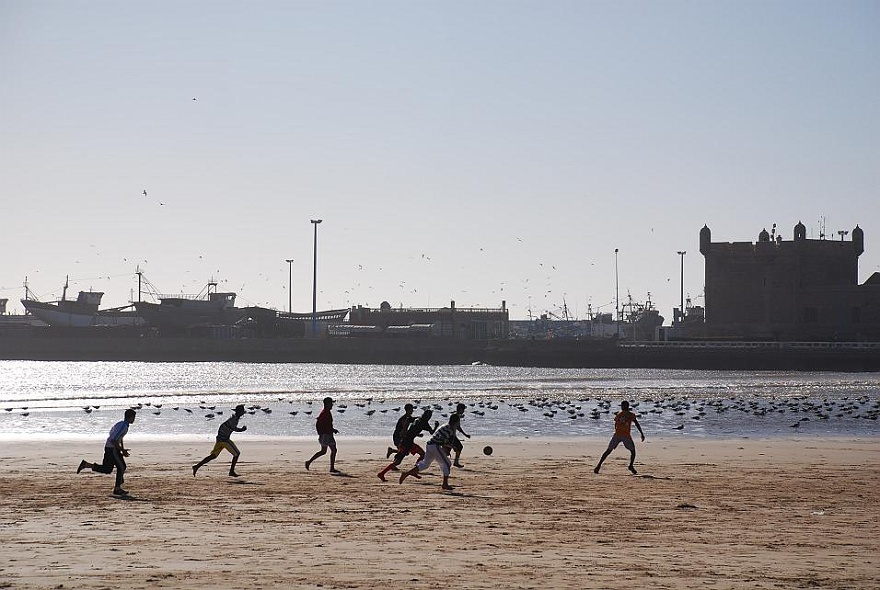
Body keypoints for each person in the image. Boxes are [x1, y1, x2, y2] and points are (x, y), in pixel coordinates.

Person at [77, 408, 136, 496]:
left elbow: (120, 438)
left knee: (107, 469)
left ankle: (86, 464)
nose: (134, 420)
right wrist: (121, 450)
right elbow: (113, 440)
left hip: (111, 448)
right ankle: (117, 488)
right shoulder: (123, 426)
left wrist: (122, 449)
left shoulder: (123, 425)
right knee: (122, 466)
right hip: (112, 449)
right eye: (133, 418)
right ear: (130, 417)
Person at [399, 413, 460, 490]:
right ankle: (445, 484)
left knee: (425, 464)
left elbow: (443, 440)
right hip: (434, 446)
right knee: (447, 463)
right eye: (458, 421)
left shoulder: (447, 426)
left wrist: (450, 447)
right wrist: (452, 447)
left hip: (430, 445)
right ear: (456, 422)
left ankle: (406, 474)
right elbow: (443, 442)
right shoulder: (449, 429)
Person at [377, 408, 437, 482]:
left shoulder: (418, 419)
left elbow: (408, 419)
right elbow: (431, 432)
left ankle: (414, 471)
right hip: (407, 443)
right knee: (398, 462)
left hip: (408, 441)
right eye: (430, 416)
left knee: (422, 454)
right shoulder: (425, 423)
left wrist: (405, 430)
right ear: (428, 417)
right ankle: (382, 473)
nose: (429, 417)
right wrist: (436, 426)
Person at [192, 404, 248, 477]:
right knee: (236, 454)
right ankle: (231, 472)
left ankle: (196, 466)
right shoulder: (234, 420)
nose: (243, 413)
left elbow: (225, 426)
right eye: (242, 411)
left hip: (220, 438)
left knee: (213, 456)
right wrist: (241, 430)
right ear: (240, 412)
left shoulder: (234, 418)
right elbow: (234, 428)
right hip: (224, 440)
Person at [594, 400, 645, 475]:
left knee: (608, 451)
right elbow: (637, 424)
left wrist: (617, 431)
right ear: (628, 407)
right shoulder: (631, 415)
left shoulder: (619, 414)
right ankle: (630, 466)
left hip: (617, 434)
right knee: (633, 452)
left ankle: (598, 466)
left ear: (623, 407)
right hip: (625, 435)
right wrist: (641, 433)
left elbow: (616, 424)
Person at [305, 397, 338, 472]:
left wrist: (333, 430)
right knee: (324, 451)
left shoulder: (326, 412)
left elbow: (327, 425)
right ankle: (309, 462)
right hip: (325, 435)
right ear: (327, 404)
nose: (332, 405)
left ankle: (332, 468)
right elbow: (321, 425)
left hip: (328, 434)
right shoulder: (325, 413)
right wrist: (323, 434)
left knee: (333, 450)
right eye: (331, 403)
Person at [451, 402, 471, 468]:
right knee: (459, 447)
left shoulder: (456, 416)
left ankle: (455, 462)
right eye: (463, 410)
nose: (464, 411)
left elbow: (458, 427)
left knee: (457, 447)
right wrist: (465, 435)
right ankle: (455, 462)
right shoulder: (455, 416)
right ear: (460, 409)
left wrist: (465, 435)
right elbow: (454, 426)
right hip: (451, 436)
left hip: (451, 435)